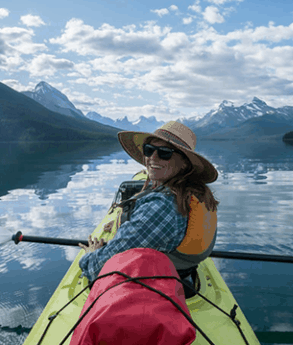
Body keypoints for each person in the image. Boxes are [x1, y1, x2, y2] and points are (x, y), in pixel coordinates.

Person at [78, 121, 219, 285]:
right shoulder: (193, 192)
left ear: (185, 164)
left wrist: (91, 253)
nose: (152, 157)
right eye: (149, 150)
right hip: (182, 272)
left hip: (154, 284)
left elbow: (97, 269)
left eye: (164, 153)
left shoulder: (162, 207)